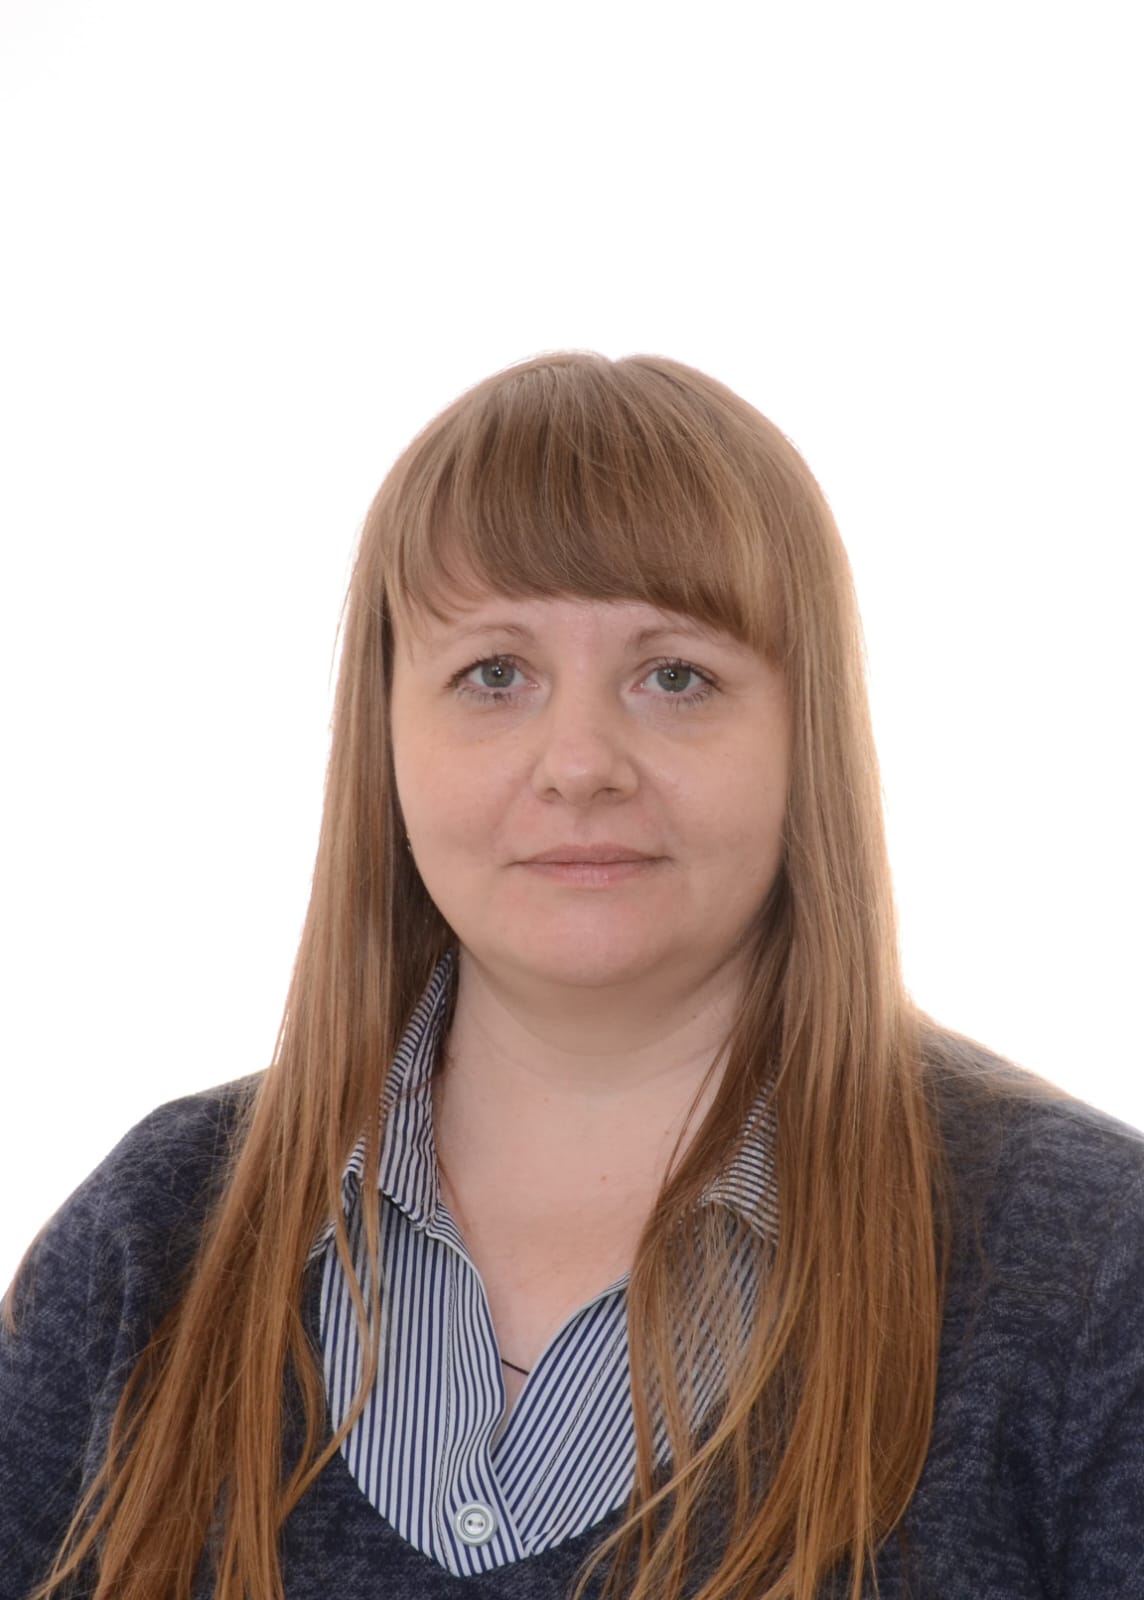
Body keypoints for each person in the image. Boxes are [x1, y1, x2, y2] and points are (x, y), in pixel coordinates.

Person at [2, 352, 1142, 1600]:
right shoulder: (156, 1235)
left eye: (677, 675)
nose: (581, 762)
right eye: (494, 674)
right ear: (385, 731)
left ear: (805, 732)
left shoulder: (1092, 1268)